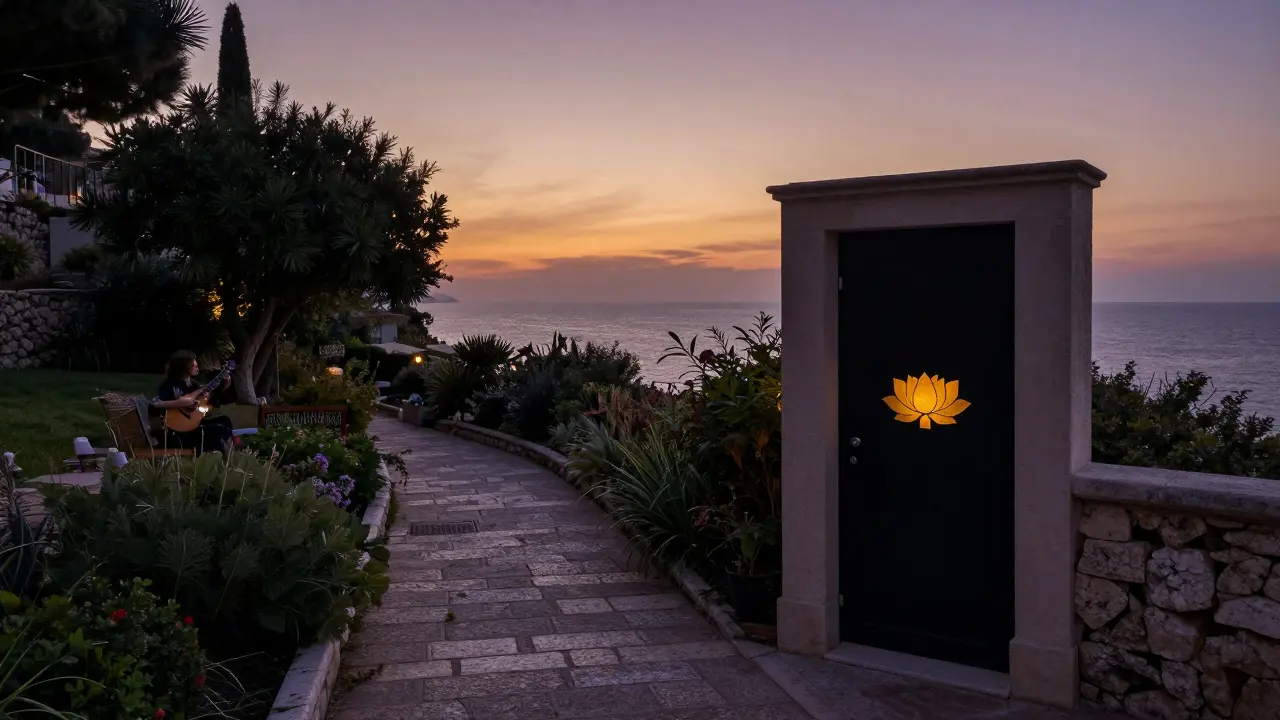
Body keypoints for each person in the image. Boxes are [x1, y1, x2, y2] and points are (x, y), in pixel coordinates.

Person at [152, 350, 234, 454]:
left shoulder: (194, 385)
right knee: (218, 430)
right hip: (177, 431)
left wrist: (224, 387)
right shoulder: (168, 385)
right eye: (194, 365)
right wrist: (183, 403)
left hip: (194, 425)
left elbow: (211, 403)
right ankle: (214, 456)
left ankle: (226, 457)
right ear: (184, 367)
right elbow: (157, 406)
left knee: (225, 421)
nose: (197, 367)